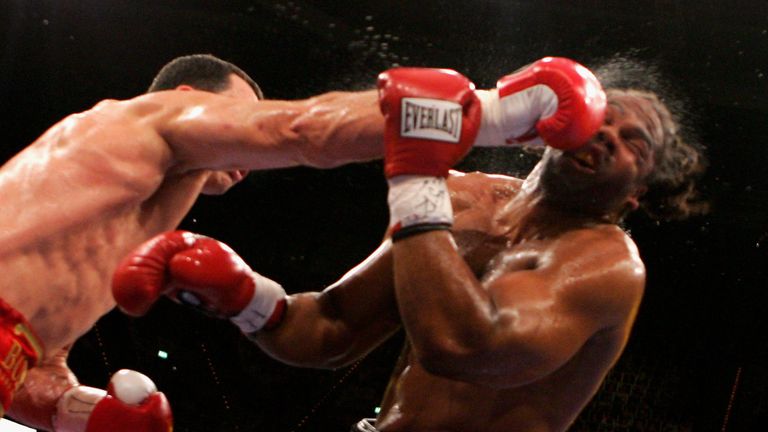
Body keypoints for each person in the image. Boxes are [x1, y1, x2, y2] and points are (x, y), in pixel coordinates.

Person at [111, 59, 707, 431]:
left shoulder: (606, 264)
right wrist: (244, 296)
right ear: (553, 126)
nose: (607, 137)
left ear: (636, 194)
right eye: (605, 119)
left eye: (635, 144)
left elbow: (465, 349)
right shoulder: (462, 198)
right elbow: (330, 330)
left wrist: (415, 178)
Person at [0, 52, 393, 432]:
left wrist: (77, 411)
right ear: (184, 99)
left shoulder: (115, 221)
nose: (249, 153)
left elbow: (31, 367)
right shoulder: (141, 120)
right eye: (238, 114)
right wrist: (418, 112)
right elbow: (299, 130)